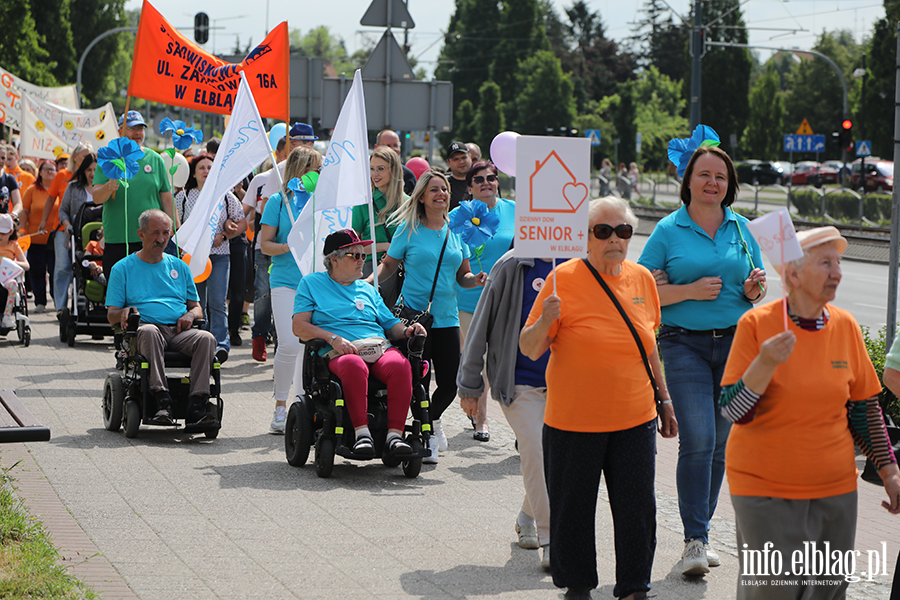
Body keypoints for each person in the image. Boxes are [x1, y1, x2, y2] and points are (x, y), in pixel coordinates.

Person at [719, 226, 900, 598]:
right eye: (825, 263)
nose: (837, 272)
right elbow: (734, 411)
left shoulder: (846, 326)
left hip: (834, 489)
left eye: (839, 262)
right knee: (774, 590)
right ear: (793, 275)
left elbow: (864, 411)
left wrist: (890, 471)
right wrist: (764, 364)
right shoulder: (756, 324)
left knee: (828, 590)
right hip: (764, 489)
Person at [519, 197, 677, 600]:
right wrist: (546, 320)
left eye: (622, 231)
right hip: (574, 420)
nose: (614, 239)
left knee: (637, 509)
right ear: (585, 237)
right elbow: (530, 347)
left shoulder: (642, 279)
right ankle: (577, 585)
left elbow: (649, 343)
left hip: (635, 418)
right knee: (573, 509)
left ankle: (634, 586)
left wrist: (664, 398)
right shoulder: (562, 279)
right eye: (603, 231)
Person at [638, 143, 766, 576]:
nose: (713, 183)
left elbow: (755, 288)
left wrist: (753, 290)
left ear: (728, 187)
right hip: (682, 344)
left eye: (721, 178)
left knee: (720, 446)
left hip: (736, 346)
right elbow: (639, 291)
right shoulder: (667, 230)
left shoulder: (743, 229)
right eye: (705, 175)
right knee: (698, 439)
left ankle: (703, 532)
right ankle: (695, 539)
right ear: (688, 180)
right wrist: (687, 291)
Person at [373, 170, 487, 464]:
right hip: (414, 321)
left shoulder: (457, 230)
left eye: (445, 189)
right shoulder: (408, 230)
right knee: (417, 383)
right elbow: (388, 266)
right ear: (421, 196)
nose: (441, 194)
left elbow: (463, 276)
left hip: (447, 318)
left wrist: (475, 279)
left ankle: (431, 421)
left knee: (450, 382)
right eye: (434, 190)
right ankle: (426, 433)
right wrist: (366, 287)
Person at [292, 229, 428, 456]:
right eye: (354, 255)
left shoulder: (368, 289)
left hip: (377, 347)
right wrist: (332, 338)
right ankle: (362, 434)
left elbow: (390, 324)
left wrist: (407, 331)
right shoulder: (311, 284)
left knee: (401, 365)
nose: (361, 261)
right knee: (354, 365)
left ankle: (394, 437)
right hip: (339, 353)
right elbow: (299, 326)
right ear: (334, 259)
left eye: (363, 255)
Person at [457, 250, 553, 570]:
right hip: (520, 384)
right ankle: (552, 540)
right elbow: (480, 326)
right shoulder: (512, 265)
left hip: (567, 387)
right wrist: (471, 385)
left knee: (552, 458)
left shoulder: (582, 262)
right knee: (537, 449)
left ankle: (528, 514)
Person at [106, 209, 215, 426]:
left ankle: (197, 403)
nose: (161, 239)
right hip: (144, 330)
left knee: (206, 338)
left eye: (166, 233)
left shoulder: (179, 266)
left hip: (177, 331)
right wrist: (124, 312)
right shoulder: (123, 268)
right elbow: (111, 315)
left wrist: (190, 314)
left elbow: (197, 308)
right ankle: (161, 399)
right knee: (149, 331)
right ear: (141, 234)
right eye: (155, 233)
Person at [260, 146, 322, 434]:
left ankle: (302, 405)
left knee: (309, 347)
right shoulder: (277, 201)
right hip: (284, 280)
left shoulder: (321, 201)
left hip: (316, 283)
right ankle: (281, 407)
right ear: (301, 170)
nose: (320, 174)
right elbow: (265, 245)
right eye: (316, 168)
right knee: (288, 343)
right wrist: (289, 246)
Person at [452, 161, 516, 443]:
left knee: (503, 360)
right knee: (478, 358)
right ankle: (481, 419)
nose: (486, 182)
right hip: (469, 298)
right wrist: (471, 278)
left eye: (491, 177)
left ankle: (521, 425)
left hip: (507, 297)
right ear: (469, 187)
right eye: (478, 180)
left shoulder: (515, 210)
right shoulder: (459, 215)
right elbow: (459, 268)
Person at [174, 153, 246, 364]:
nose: (206, 171)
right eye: (201, 168)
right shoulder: (183, 197)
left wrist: (225, 234)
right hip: (192, 259)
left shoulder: (224, 195)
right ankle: (199, 343)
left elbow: (241, 222)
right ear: (193, 173)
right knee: (198, 304)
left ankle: (220, 346)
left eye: (209, 167)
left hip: (219, 257)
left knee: (217, 302)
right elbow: (177, 227)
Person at [92, 110, 174, 278]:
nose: (138, 132)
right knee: (118, 295)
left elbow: (166, 199)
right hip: (118, 239)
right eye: (132, 128)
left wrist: (173, 231)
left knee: (150, 292)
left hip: (151, 239)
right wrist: (109, 186)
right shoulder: (108, 157)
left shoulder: (155, 159)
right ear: (120, 131)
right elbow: (96, 198)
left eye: (141, 128)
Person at [353, 147, 406, 297]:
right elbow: (355, 249)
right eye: (372, 169)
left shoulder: (408, 204)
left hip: (405, 271)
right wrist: (385, 246)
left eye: (380, 169)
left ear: (393, 170)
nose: (374, 174)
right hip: (372, 268)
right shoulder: (363, 203)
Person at [53, 153, 98, 316]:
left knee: (92, 271)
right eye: (89, 170)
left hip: (98, 238)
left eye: (95, 169)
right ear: (83, 171)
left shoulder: (105, 188)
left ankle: (94, 308)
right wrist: (67, 226)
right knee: (65, 269)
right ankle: (61, 307)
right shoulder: (73, 187)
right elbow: (63, 210)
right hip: (76, 235)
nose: (92, 173)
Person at [22, 159, 59, 311]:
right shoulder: (32, 190)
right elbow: (24, 211)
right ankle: (40, 302)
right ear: (40, 172)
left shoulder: (59, 190)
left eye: (53, 169)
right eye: (46, 169)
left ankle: (57, 300)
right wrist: (22, 231)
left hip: (55, 239)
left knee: (55, 271)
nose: (50, 172)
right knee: (36, 271)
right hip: (35, 237)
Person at [40, 143, 93, 235]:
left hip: (86, 229)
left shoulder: (92, 177)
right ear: (75, 157)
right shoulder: (62, 175)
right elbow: (51, 199)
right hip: (62, 228)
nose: (87, 160)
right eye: (85, 156)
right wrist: (44, 220)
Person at [261, 122, 317, 202]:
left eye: (293, 143)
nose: (290, 146)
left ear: (309, 144)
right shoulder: (280, 169)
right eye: (289, 142)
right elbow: (266, 201)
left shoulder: (325, 166)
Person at [0, 213, 29, 330]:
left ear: (11, 232)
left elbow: (26, 265)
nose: (0, 236)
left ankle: (6, 317)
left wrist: (12, 262)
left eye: (4, 233)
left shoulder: (14, 246)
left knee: (14, 285)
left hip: (7, 277)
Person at [374, 129, 417, 195]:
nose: (393, 149)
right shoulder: (366, 175)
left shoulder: (408, 176)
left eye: (396, 145)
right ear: (377, 147)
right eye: (387, 146)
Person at [445, 141, 472, 211]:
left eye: (464, 157)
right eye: (456, 159)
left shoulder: (482, 181)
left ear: (470, 157)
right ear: (448, 163)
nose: (461, 162)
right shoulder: (444, 185)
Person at [0, 146, 23, 220]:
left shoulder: (9, 178)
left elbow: (18, 203)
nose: (0, 161)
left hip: (3, 225)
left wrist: (14, 214)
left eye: (3, 158)